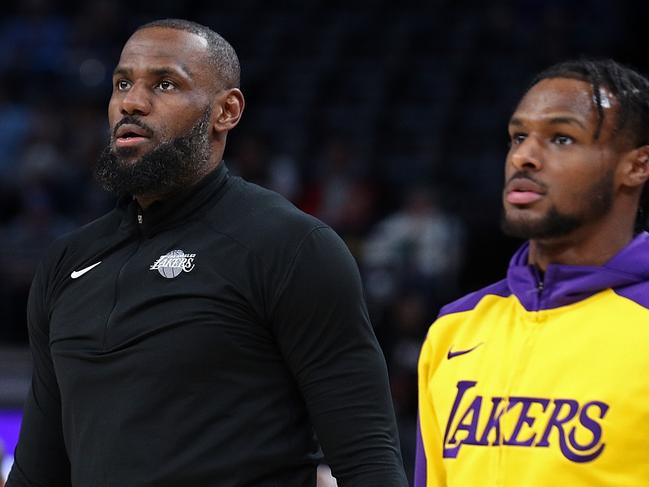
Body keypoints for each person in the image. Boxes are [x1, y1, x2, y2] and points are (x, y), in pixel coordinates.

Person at [7, 19, 408, 487]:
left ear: (226, 111)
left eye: (165, 83)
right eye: (122, 83)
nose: (131, 102)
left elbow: (368, 460)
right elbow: (38, 471)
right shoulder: (67, 262)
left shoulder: (291, 247)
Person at [416, 58, 649, 486]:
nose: (524, 156)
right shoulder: (454, 328)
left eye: (561, 138)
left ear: (636, 166)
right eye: (518, 137)